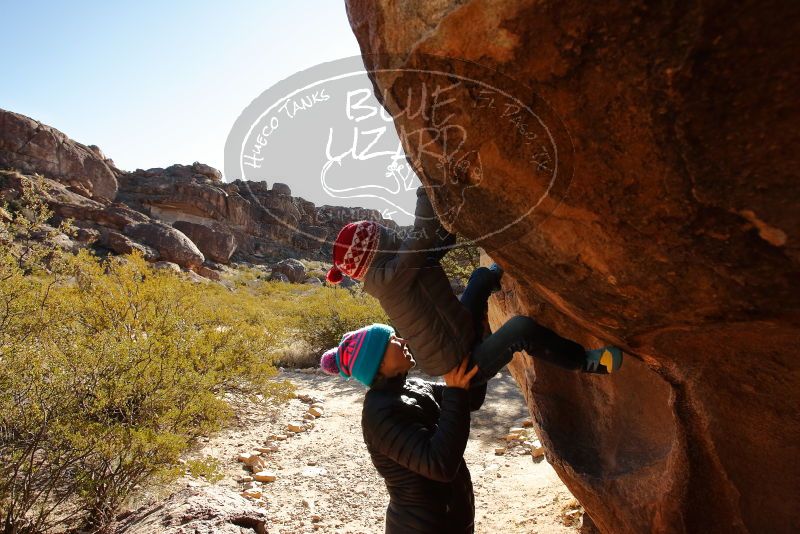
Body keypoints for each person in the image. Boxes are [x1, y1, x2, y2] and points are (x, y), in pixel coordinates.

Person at [325, 186, 622, 385]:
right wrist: (426, 189)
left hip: (462, 329)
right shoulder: (390, 280)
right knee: (521, 330)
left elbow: (435, 247)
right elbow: (424, 234)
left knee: (481, 277)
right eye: (385, 235)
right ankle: (587, 362)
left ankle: (507, 268)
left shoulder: (396, 270)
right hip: (462, 364)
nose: (392, 234)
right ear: (376, 250)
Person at [320, 323, 484, 534]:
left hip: (453, 521)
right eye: (393, 341)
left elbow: (471, 398)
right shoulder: (378, 414)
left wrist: (479, 336)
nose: (403, 341)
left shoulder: (414, 385)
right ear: (378, 363)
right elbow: (439, 464)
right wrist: (456, 392)